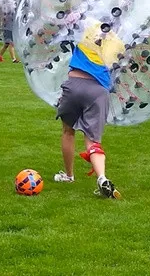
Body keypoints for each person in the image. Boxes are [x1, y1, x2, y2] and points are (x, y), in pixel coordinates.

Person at [53, 22, 123, 199]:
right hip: (98, 92)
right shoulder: (118, 43)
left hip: (74, 84)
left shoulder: (89, 29)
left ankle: (69, 176)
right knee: (93, 141)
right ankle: (102, 178)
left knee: (68, 131)